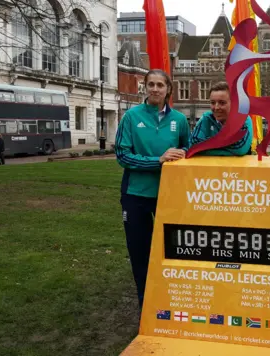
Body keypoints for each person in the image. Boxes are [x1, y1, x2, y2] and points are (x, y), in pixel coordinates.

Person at [115, 69, 190, 309]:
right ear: (144, 88)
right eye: (151, 85)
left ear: (169, 89)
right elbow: (123, 155)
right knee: (140, 253)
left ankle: (173, 300)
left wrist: (184, 156)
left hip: (169, 196)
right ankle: (146, 304)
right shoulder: (131, 116)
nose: (155, 89)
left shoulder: (179, 120)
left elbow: (188, 152)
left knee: (173, 251)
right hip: (135, 195)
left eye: (160, 85)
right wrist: (157, 160)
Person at [189, 81, 252, 156]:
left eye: (222, 103)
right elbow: (193, 145)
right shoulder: (207, 118)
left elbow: (240, 149)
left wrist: (205, 146)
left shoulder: (243, 119)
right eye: (212, 103)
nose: (216, 107)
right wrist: (229, 145)